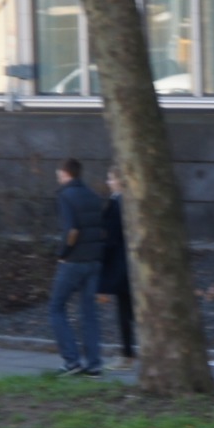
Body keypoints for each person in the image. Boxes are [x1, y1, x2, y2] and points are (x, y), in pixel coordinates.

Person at [49, 158, 106, 377]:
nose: (57, 175)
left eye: (58, 172)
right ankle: (94, 364)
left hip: (73, 262)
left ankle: (71, 361)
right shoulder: (92, 196)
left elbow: (72, 231)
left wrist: (62, 254)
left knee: (56, 308)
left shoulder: (65, 195)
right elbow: (100, 231)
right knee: (89, 313)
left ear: (65, 173)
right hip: (94, 262)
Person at [97, 165, 135, 370]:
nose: (108, 182)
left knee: (125, 312)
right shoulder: (128, 203)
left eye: (110, 178)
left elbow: (110, 239)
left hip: (120, 266)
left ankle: (127, 355)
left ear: (120, 181)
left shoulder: (117, 203)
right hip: (129, 265)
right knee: (129, 311)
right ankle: (129, 353)